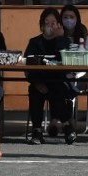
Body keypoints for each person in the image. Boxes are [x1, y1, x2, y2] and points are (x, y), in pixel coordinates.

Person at [23, 8, 75, 144]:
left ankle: (67, 127)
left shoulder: (64, 41)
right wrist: (36, 82)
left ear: (59, 25)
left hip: (58, 81)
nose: (50, 26)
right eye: (47, 23)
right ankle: (37, 130)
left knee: (56, 89)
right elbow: (27, 66)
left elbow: (66, 61)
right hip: (38, 81)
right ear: (41, 25)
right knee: (35, 91)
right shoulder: (34, 42)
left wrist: (59, 38)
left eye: (54, 23)